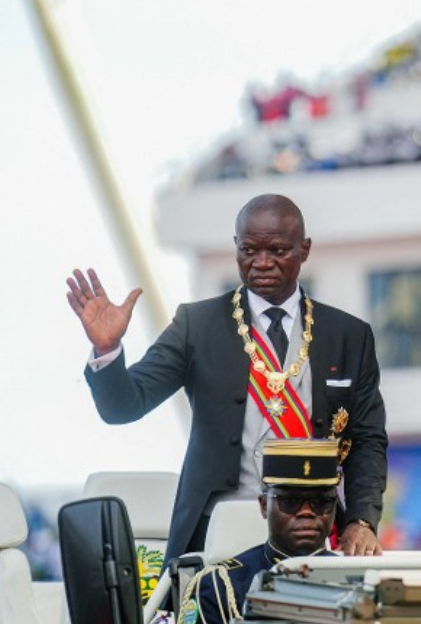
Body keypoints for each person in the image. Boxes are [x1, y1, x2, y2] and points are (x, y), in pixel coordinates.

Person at [66, 194, 387, 564]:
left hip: (312, 532)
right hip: (216, 536)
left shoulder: (347, 335)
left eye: (278, 250)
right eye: (249, 250)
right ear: (236, 247)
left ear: (305, 249)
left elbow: (367, 440)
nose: (262, 263)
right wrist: (107, 351)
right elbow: (124, 406)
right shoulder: (196, 326)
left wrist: (362, 520)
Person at [180, 438, 339, 624]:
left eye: (321, 502)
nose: (307, 512)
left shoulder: (360, 582)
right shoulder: (221, 585)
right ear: (264, 506)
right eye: (290, 502)